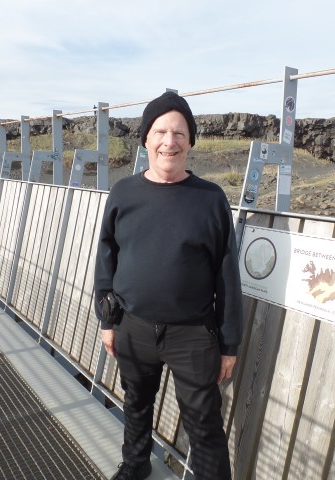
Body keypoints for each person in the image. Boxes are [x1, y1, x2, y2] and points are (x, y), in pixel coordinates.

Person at [94, 91, 243, 480]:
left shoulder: (210, 199)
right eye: (160, 132)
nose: (169, 142)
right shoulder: (123, 193)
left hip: (193, 334)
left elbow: (227, 275)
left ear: (190, 141)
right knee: (136, 404)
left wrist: (229, 344)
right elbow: (106, 256)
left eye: (179, 133)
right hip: (133, 325)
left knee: (204, 424)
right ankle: (136, 465)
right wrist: (107, 321)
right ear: (146, 138)